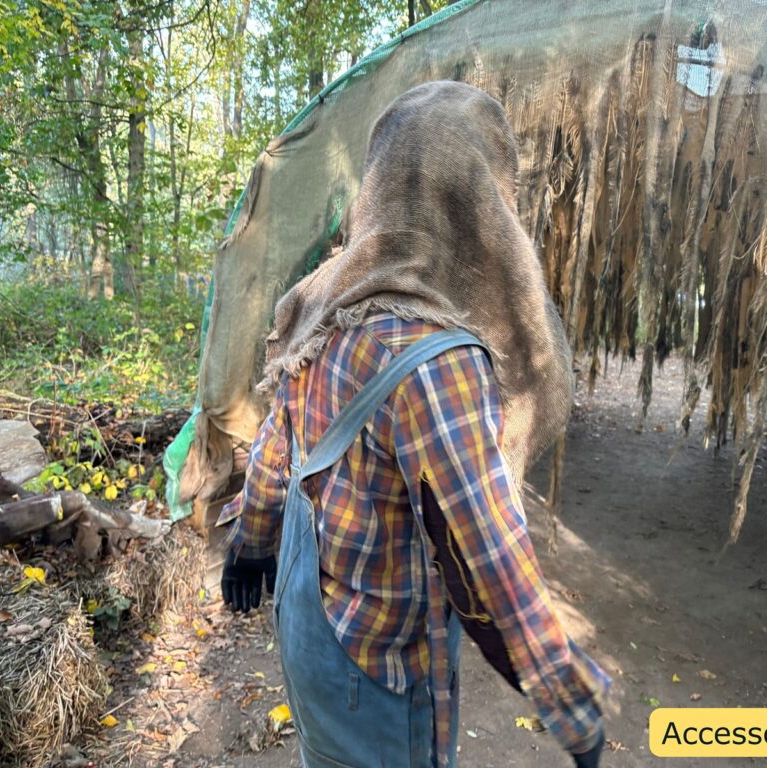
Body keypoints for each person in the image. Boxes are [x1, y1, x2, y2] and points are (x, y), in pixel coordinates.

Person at [218, 81, 610, 768]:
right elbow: (490, 558)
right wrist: (569, 701)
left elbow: (277, 449)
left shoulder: (319, 297)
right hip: (378, 670)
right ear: (481, 200)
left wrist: (252, 544)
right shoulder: (437, 359)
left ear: (381, 184)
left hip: (308, 637)